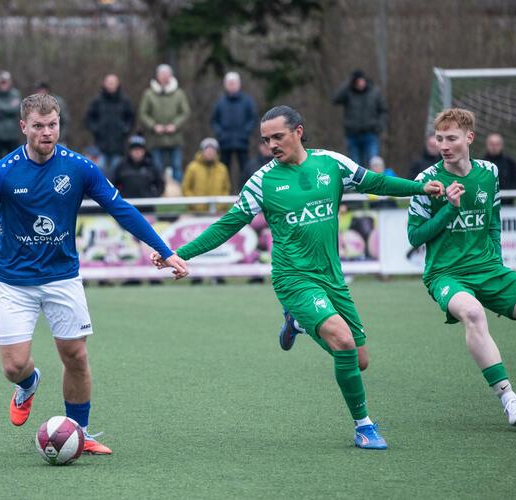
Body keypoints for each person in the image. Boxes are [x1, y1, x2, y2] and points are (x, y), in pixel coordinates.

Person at [152, 105, 443, 450]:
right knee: (343, 342)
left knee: (359, 360)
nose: (271, 144)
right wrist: (179, 254)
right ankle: (364, 426)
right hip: (293, 279)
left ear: (298, 131)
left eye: (278, 136)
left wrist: (421, 188)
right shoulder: (262, 181)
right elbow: (226, 225)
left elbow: (376, 182)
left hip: (332, 278)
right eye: (265, 140)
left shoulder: (332, 164)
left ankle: (299, 325)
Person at [0, 93, 188, 455]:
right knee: (13, 366)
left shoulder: (79, 168)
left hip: (62, 276)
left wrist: (164, 250)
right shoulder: (3, 172)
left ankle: (79, 432)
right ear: (23, 127)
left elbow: (120, 208)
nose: (47, 132)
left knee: (75, 355)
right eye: (38, 126)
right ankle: (30, 383)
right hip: (13, 281)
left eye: (52, 125)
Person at [408, 108, 516, 427]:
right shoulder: (426, 181)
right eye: (439, 139)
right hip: (446, 275)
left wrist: (496, 258)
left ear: (469, 137)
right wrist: (450, 210)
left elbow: (493, 220)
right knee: (474, 313)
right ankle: (509, 400)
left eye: (451, 138)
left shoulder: (489, 172)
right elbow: (415, 235)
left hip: (490, 270)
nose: (444, 145)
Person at [138, 64, 191, 182]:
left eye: (167, 74)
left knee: (177, 168)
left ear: (171, 76)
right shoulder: (149, 94)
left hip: (175, 138)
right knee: (157, 168)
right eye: (162, 74)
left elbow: (185, 112)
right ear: (157, 76)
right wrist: (153, 126)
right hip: (155, 139)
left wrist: (175, 125)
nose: (164, 77)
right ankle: (159, 194)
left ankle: (177, 195)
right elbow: (143, 113)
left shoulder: (179, 93)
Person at [210, 72, 258, 191]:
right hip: (224, 142)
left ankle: (244, 192)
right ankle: (226, 193)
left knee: (245, 168)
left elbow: (253, 119)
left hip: (242, 141)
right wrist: (220, 134)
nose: (231, 85)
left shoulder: (247, 101)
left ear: (239, 84)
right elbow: (213, 121)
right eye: (229, 83)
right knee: (224, 170)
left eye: (233, 83)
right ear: (225, 85)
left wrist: (246, 133)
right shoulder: (220, 102)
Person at [332, 69, 386, 168]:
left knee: (373, 165)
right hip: (353, 135)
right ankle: (358, 184)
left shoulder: (374, 92)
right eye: (357, 82)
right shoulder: (348, 92)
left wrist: (380, 126)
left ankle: (372, 184)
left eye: (362, 80)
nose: (360, 84)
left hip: (370, 134)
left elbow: (383, 110)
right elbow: (335, 99)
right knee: (354, 167)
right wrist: (348, 83)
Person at [85, 74, 135, 178]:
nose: (111, 85)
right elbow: (88, 118)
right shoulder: (97, 101)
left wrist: (125, 130)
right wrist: (96, 129)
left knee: (116, 175)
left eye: (113, 83)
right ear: (104, 84)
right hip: (100, 146)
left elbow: (131, 118)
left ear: (118, 84)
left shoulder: (125, 101)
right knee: (99, 174)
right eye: (108, 82)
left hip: (118, 146)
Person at [181, 137, 231, 213]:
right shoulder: (192, 167)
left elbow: (226, 189)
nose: (210, 152)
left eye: (212, 149)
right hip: (196, 213)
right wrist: (195, 204)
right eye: (207, 149)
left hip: (218, 212)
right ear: (202, 151)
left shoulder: (222, 168)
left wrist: (220, 205)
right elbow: (186, 188)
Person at [112, 134, 165, 199]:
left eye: (139, 149)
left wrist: (153, 196)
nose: (137, 152)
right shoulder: (121, 166)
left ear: (144, 151)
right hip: (127, 204)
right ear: (130, 151)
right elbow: (113, 183)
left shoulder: (151, 166)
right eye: (134, 149)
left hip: (147, 205)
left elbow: (160, 184)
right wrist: (120, 197)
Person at [0, 71, 22, 161]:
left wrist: (0, 108)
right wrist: (9, 107)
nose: (3, 84)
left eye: (5, 82)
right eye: (2, 82)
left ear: (10, 82)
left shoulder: (15, 93)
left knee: (14, 162)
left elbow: (16, 109)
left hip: (13, 135)